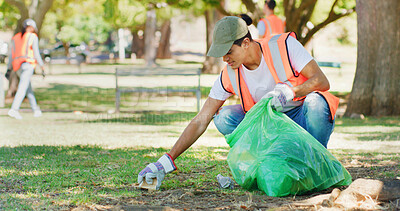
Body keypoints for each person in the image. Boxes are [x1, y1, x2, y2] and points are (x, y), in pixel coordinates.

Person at [137, 15, 339, 190]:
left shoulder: (284, 46)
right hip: (271, 129)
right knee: (223, 117)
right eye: (221, 53)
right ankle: (270, 163)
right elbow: (201, 119)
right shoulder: (230, 73)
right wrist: (166, 161)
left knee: (316, 103)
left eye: (228, 51)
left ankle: (315, 166)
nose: (225, 58)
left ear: (246, 43)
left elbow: (322, 81)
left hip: (300, 119)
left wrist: (291, 91)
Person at [7, 18, 45, 120]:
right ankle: (14, 110)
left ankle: (36, 110)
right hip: (27, 65)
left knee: (28, 88)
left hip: (17, 67)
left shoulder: (16, 37)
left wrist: (8, 68)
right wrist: (42, 66)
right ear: (32, 27)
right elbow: (36, 53)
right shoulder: (33, 37)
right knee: (23, 87)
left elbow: (11, 55)